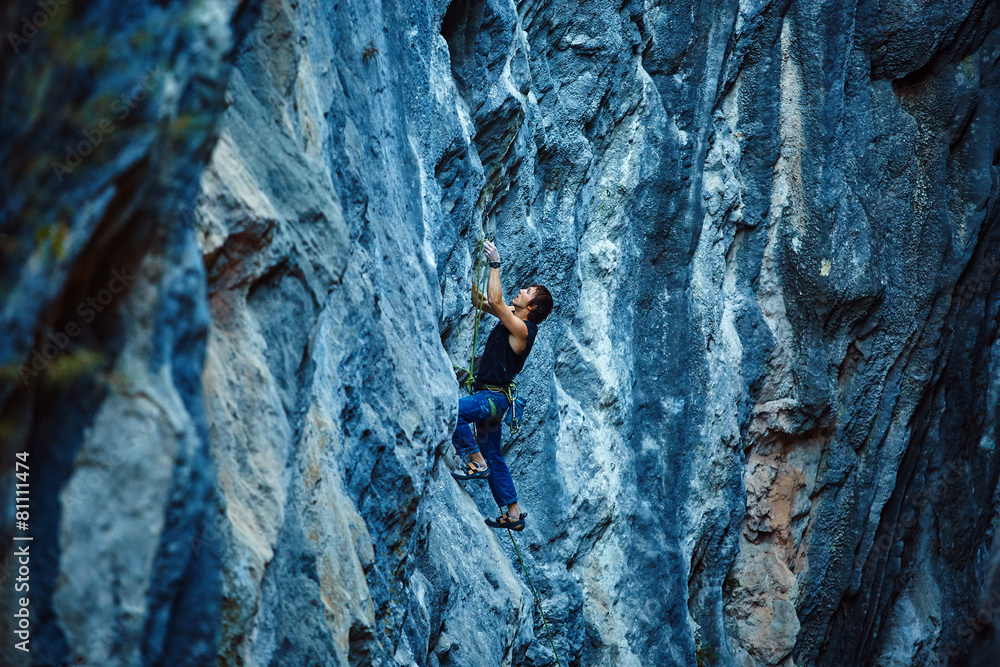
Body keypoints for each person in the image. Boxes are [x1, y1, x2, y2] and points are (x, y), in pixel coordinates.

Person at [451, 239, 552, 531]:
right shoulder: (512, 318)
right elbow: (482, 302)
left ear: (531, 307)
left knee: (453, 411)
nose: (521, 290)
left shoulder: (523, 329)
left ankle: (476, 462)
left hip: (491, 400)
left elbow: (495, 302)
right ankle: (513, 513)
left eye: (527, 292)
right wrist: (470, 266)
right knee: (495, 454)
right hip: (495, 401)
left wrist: (494, 264)